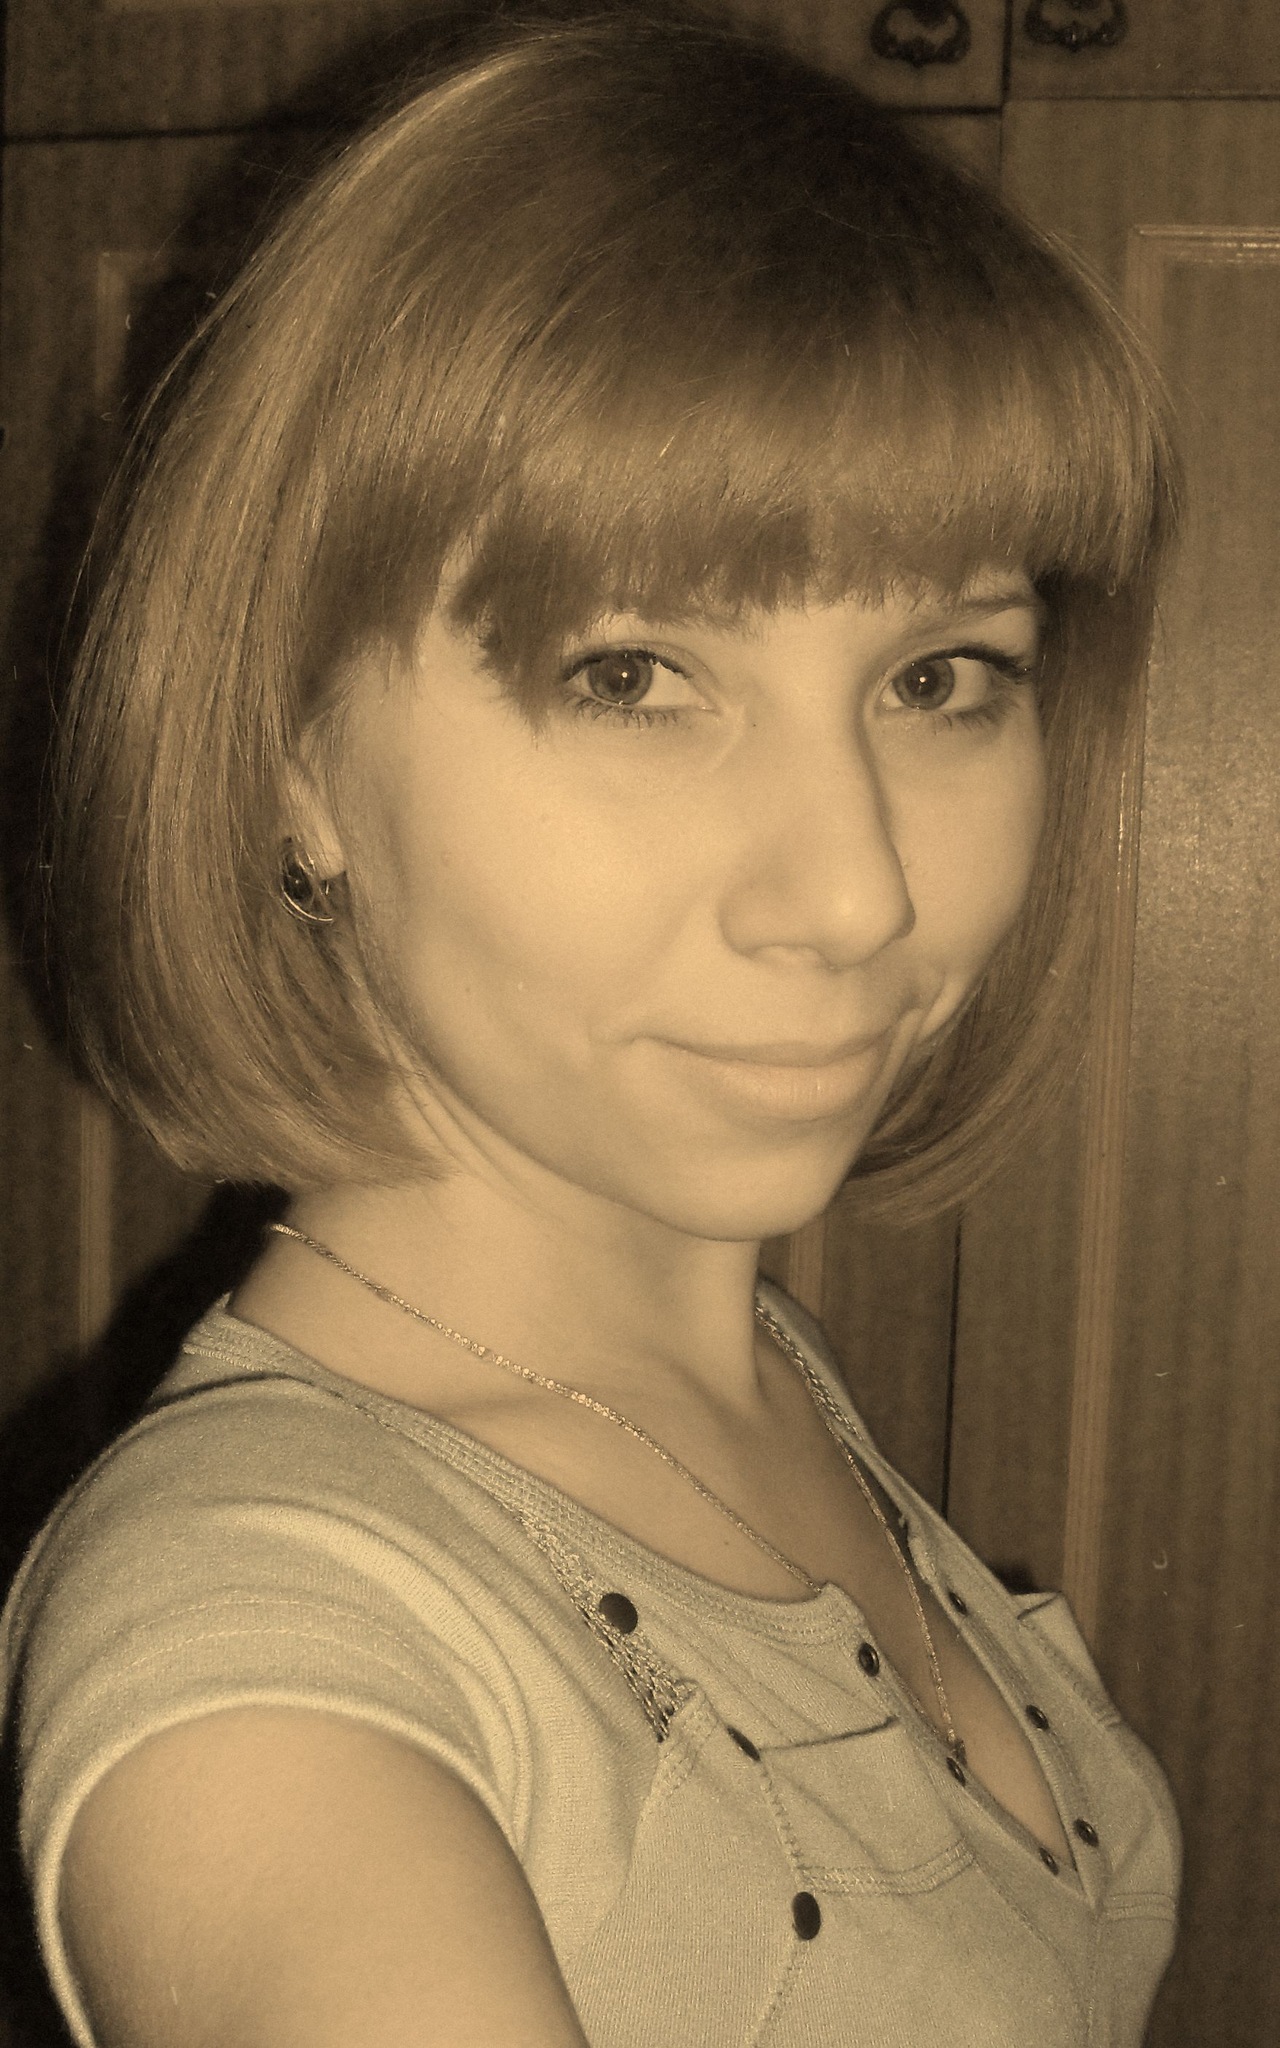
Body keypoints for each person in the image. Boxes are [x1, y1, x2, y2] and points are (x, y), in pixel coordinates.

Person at [2, 10, 1181, 2045]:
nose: (857, 894)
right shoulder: (266, 1664)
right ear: (291, 753)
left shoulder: (730, 1363)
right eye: (631, 675)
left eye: (940, 677)